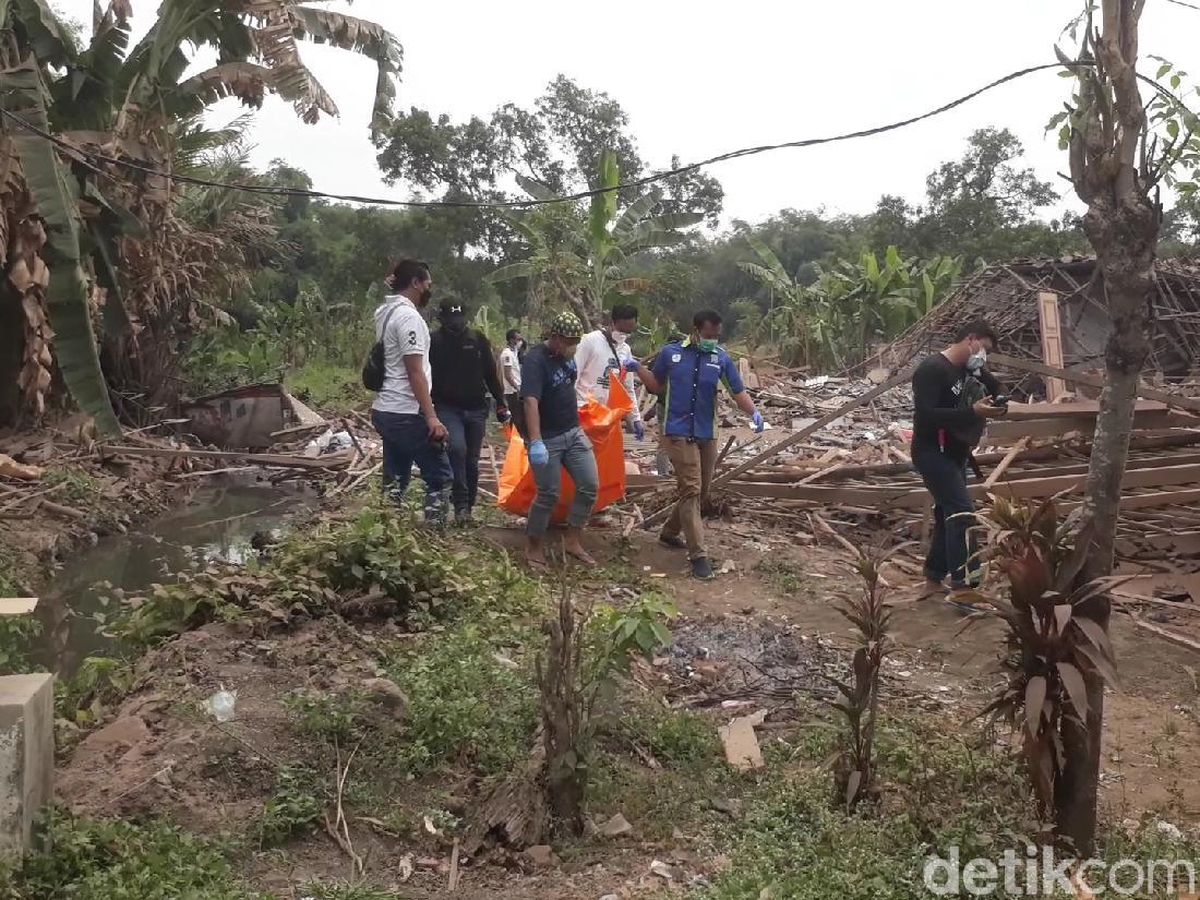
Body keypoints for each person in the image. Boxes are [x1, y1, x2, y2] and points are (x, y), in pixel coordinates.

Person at [631, 310, 764, 581]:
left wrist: (754, 413)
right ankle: (699, 555)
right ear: (695, 330)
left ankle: (668, 533)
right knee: (690, 489)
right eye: (708, 335)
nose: (712, 340)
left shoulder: (720, 358)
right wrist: (638, 369)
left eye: (716, 336)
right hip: (676, 431)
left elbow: (736, 390)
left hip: (706, 431)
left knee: (702, 491)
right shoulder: (671, 354)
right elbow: (656, 386)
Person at [911, 319, 1007, 601]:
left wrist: (1000, 399)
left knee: (947, 513)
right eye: (983, 349)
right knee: (962, 514)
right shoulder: (932, 369)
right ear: (971, 339)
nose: (983, 356)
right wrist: (974, 413)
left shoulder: (969, 367)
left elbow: (996, 384)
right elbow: (926, 414)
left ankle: (933, 577)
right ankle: (965, 589)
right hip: (931, 452)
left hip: (955, 452)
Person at [369, 259, 452, 525]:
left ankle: (386, 533)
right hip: (405, 411)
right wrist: (431, 418)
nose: (430, 289)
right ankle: (433, 536)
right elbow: (414, 371)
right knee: (440, 475)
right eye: (427, 283)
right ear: (416, 283)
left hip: (385, 409)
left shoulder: (385, 312)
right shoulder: (409, 318)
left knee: (396, 478)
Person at [520, 311, 599, 569]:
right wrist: (536, 441)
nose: (573, 347)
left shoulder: (568, 357)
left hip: (573, 431)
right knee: (548, 494)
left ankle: (573, 540)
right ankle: (534, 547)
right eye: (569, 341)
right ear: (555, 338)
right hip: (548, 439)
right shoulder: (535, 361)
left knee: (589, 485)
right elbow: (531, 401)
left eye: (576, 341)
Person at [429, 298, 510, 524]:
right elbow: (424, 375)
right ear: (442, 319)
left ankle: (468, 509)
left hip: (476, 409)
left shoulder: (477, 340)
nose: (456, 324)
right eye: (450, 320)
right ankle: (461, 505)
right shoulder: (434, 342)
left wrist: (501, 402)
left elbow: (491, 374)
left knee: (472, 460)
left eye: (459, 319)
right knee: (457, 450)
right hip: (448, 408)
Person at [573, 305, 646, 440]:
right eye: (622, 330)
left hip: (607, 417)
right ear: (613, 322)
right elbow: (573, 377)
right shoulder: (590, 341)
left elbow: (628, 389)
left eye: (628, 331)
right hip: (583, 412)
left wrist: (636, 419)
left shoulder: (625, 350)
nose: (624, 334)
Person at [500, 328, 524, 413]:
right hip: (512, 391)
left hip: (516, 389)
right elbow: (508, 375)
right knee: (515, 417)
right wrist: (517, 388)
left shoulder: (514, 352)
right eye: (518, 339)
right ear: (511, 340)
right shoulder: (507, 354)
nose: (520, 341)